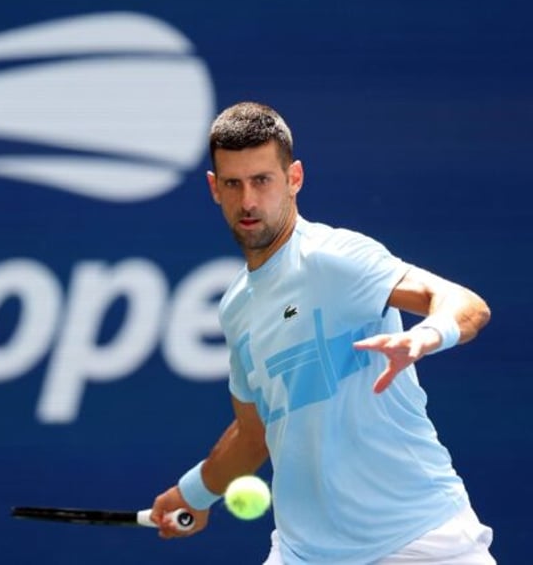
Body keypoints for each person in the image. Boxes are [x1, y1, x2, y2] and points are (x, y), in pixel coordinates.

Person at [149, 102, 495, 564]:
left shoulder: (336, 258)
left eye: (262, 180)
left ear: (294, 179)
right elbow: (254, 434)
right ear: (215, 189)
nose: (248, 201)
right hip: (305, 553)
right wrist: (194, 493)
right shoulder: (236, 308)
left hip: (419, 539)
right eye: (233, 184)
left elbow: (467, 305)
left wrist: (426, 336)